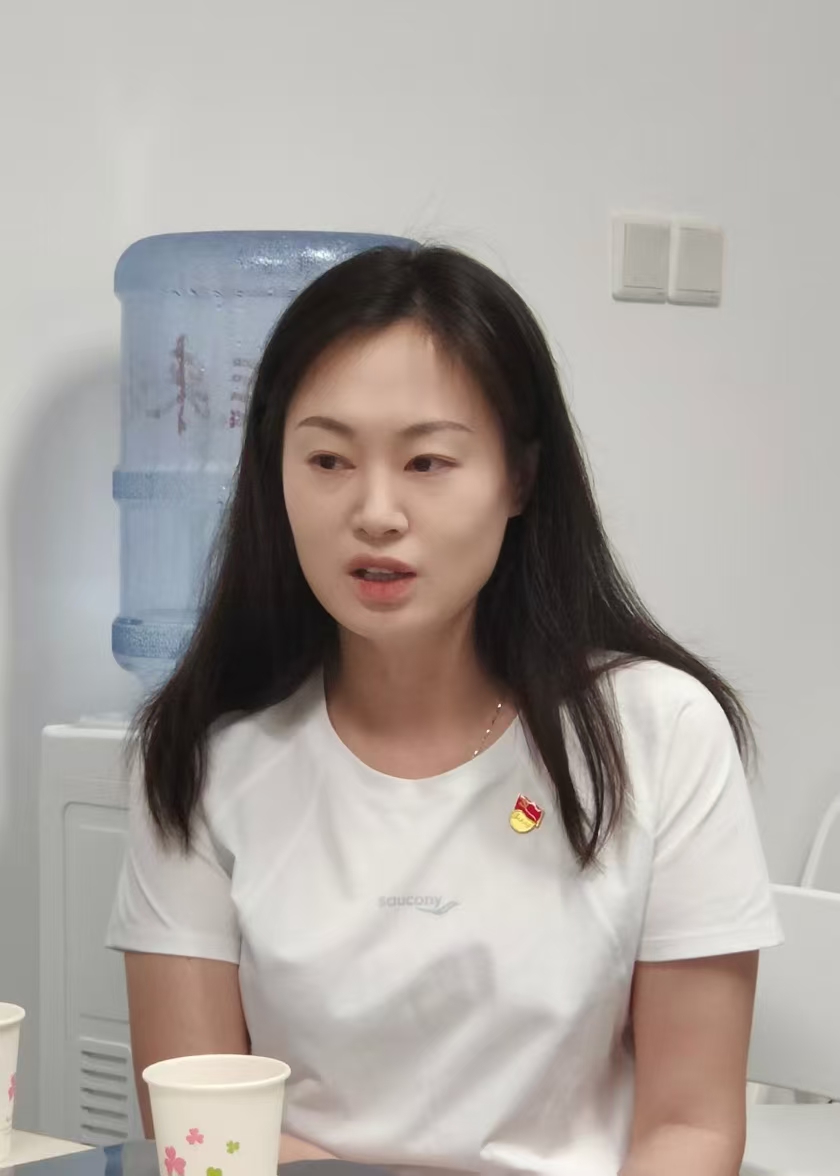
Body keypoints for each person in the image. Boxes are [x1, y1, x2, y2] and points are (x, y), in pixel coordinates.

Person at [107, 243, 782, 1176]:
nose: (376, 512)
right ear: (274, 473)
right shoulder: (199, 756)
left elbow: (689, 1130)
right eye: (328, 459)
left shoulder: (660, 732)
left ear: (520, 477)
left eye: (427, 461)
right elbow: (204, 1131)